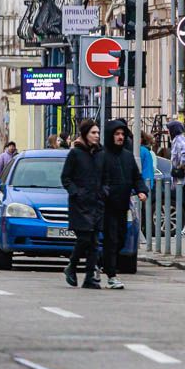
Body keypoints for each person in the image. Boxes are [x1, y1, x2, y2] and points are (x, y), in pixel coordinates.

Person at [97, 119, 149, 290]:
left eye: (122, 134)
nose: (120, 137)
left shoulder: (127, 156)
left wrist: (142, 190)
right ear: (110, 136)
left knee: (120, 238)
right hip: (107, 205)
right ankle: (112, 275)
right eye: (117, 134)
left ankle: (99, 261)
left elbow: (136, 176)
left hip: (122, 205)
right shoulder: (102, 155)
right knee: (111, 239)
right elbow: (96, 179)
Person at [60, 119, 103, 289]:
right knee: (84, 238)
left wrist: (103, 192)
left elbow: (105, 176)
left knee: (94, 242)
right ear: (85, 134)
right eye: (93, 132)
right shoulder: (75, 154)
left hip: (97, 204)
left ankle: (89, 277)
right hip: (80, 205)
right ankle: (72, 266)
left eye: (98, 133)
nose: (96, 136)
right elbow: (65, 178)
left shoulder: (100, 154)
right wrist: (76, 192)